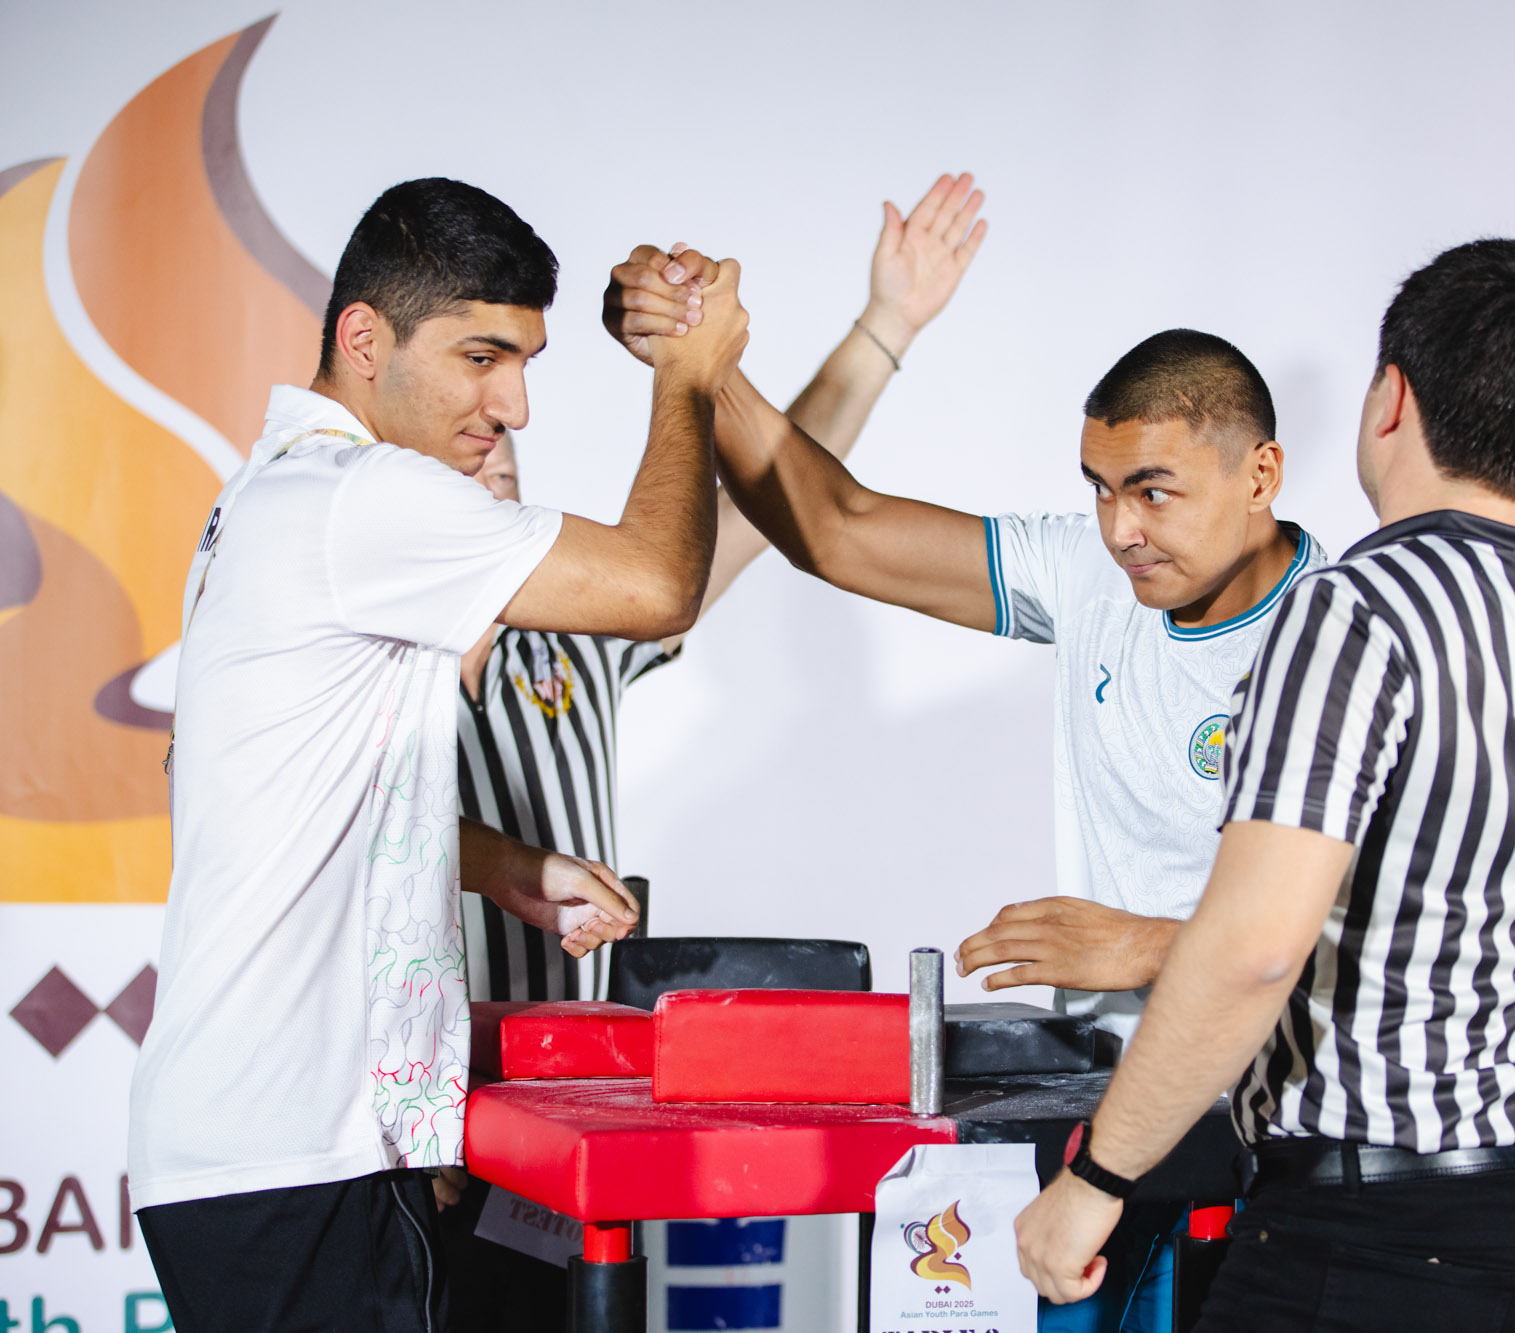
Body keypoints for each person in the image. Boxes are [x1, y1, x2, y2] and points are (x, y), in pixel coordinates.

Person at [1012, 146, 1515, 1332]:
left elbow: (1251, 950)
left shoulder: (1353, 610)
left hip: (1370, 1242)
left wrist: (1095, 1180)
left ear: (1389, 398)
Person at [607, 263, 1336, 1329]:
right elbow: (838, 527)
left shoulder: (1348, 640)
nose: (1120, 526)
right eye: (1098, 486)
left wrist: (1142, 945)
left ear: (1261, 473)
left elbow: (1389, 942)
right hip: (1106, 1120)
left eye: (1153, 490)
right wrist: (704, 359)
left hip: (1278, 1145)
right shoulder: (1095, 580)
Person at [128, 176, 746, 1333]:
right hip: (294, 1153)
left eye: (524, 361)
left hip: (267, 1149)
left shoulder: (272, 498)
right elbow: (660, 584)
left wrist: (506, 868)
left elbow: (293, 790)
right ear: (365, 339)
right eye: (479, 357)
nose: (512, 404)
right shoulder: (356, 496)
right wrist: (688, 374)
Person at [435, 173, 990, 1333]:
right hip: (413, 1124)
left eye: (504, 432)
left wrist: (882, 328)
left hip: (564, 1132)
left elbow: (764, 513)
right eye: (466, 428)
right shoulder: (359, 650)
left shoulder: (575, 631)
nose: (495, 437)